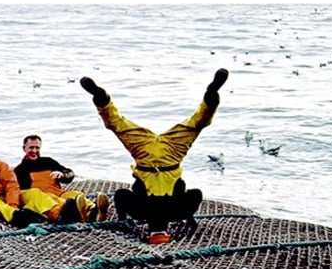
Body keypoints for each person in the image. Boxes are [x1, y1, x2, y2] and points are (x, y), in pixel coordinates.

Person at [79, 68, 228, 244]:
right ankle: (101, 98)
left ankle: (211, 96)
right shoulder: (145, 212)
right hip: (151, 154)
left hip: (169, 155)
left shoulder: (173, 212)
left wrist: (188, 217)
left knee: (196, 124)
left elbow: (194, 196)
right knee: (118, 125)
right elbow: (122, 196)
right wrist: (188, 218)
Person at [14, 134, 110, 222]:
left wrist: (63, 174)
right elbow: (18, 193)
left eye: (37, 148)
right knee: (42, 196)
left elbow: (70, 173)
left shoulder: (48, 162)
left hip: (58, 194)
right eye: (31, 147)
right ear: (24, 148)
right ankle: (62, 214)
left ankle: (93, 211)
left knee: (76, 195)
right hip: (42, 200)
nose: (34, 151)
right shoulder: (19, 170)